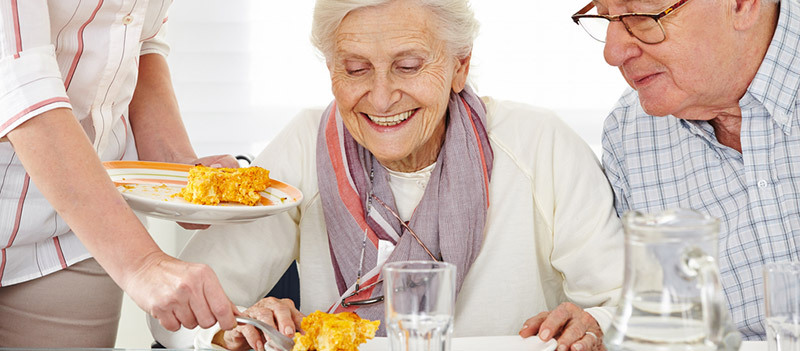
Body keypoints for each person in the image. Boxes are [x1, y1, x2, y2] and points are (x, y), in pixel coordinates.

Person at [150, 0, 623, 350]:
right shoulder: (305, 143)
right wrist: (235, 328)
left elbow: (624, 305)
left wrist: (593, 324)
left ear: (460, 66)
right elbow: (177, 314)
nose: (380, 98)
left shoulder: (540, 144)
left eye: (409, 66)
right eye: (355, 70)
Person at [0, 1, 240, 347]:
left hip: (79, 231)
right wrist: (143, 264)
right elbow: (19, 80)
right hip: (95, 221)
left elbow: (138, 42)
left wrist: (177, 168)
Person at [571, 0, 797, 341]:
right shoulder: (629, 134)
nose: (612, 52)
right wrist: (604, 326)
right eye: (605, 17)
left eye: (641, 16)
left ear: (741, 5)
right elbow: (663, 320)